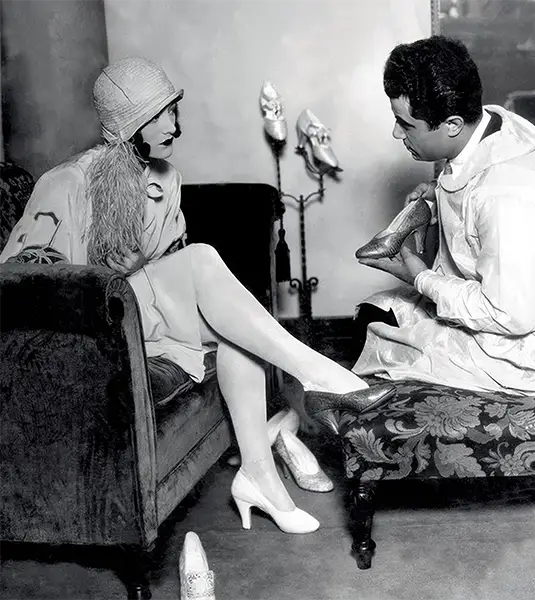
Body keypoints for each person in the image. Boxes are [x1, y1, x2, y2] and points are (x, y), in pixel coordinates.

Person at [0, 57, 395, 534]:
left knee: (237, 335)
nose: (175, 125)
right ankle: (319, 374)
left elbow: (172, 261)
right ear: (129, 123)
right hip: (96, 328)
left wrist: (147, 272)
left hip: (149, 314)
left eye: (174, 110)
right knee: (203, 257)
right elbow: (23, 279)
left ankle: (258, 476)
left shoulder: (166, 178)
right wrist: (101, 273)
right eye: (161, 114)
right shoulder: (66, 182)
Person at [353, 36, 535, 396]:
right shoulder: (494, 124)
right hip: (510, 308)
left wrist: (420, 278)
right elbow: (474, 180)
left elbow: (510, 316)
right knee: (374, 314)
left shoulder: (510, 193)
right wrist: (438, 196)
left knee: (376, 336)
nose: (396, 133)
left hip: (525, 353)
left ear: (451, 124)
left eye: (406, 125)